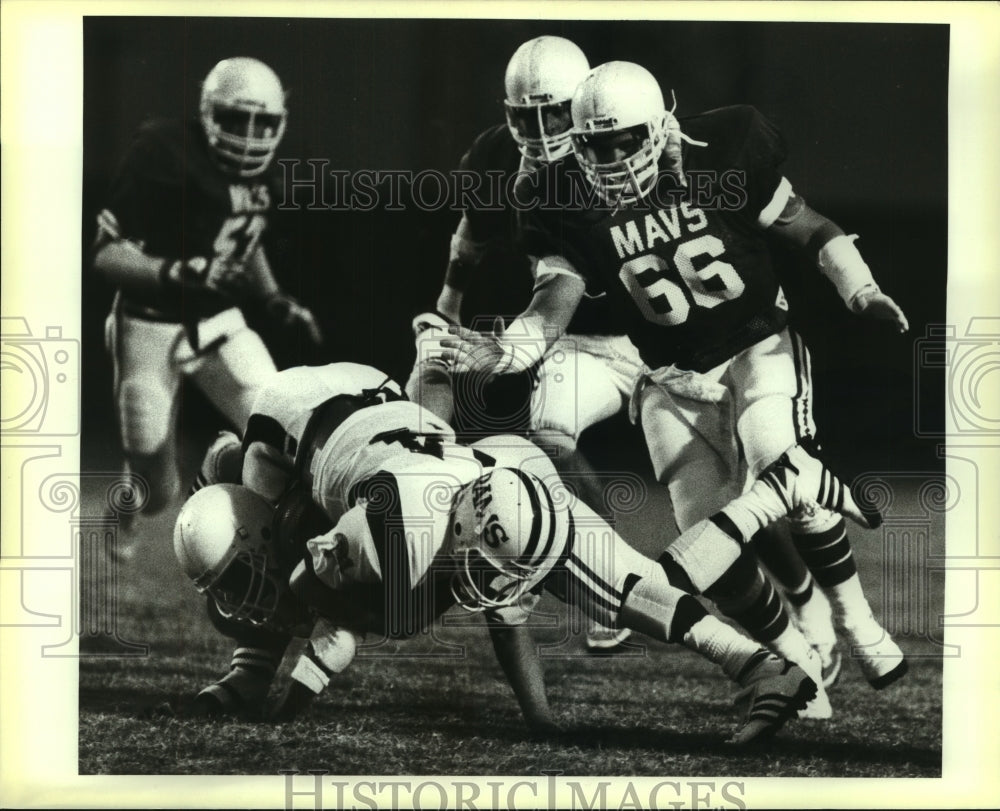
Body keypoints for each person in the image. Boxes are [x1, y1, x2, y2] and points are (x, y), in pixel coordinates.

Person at [441, 61, 908, 692]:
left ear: (661, 128)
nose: (610, 159)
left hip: (756, 348)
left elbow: (812, 227)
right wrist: (511, 352)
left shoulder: (725, 154)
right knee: (704, 536)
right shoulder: (563, 201)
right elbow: (554, 298)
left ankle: (859, 621)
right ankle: (794, 656)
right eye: (593, 145)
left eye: (624, 140)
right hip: (669, 377)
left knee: (779, 456)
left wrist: (860, 289)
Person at [173, 362, 880, 742]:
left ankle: (761, 664)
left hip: (470, 460)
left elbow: (505, 600)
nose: (492, 588)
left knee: (636, 584)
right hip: (306, 416)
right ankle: (244, 670)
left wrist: (539, 721)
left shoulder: (504, 513)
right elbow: (319, 605)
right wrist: (291, 679)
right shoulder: (392, 532)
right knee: (254, 551)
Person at [406, 36, 644, 652]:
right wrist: (446, 309)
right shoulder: (495, 158)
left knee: (728, 479)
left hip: (656, 335)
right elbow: (471, 240)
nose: (540, 130)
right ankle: (606, 568)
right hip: (571, 335)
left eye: (555, 112)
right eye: (523, 116)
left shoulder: (618, 152)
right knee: (551, 434)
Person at [92, 56, 321, 544]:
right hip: (148, 325)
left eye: (264, 122)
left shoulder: (262, 178)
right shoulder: (161, 152)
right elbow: (106, 254)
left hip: (217, 321)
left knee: (279, 423)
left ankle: (275, 542)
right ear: (207, 114)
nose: (250, 134)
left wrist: (274, 296)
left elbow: (246, 238)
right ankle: (129, 498)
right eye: (237, 118)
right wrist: (174, 272)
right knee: (157, 488)